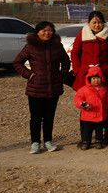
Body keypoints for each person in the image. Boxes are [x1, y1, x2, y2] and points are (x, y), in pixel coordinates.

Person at [13, 21, 71, 154]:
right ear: (37, 32)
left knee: (49, 117)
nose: (47, 33)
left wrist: (61, 75)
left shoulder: (57, 45)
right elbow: (17, 62)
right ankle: (35, 143)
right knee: (35, 117)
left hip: (53, 87)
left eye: (50, 30)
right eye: (44, 30)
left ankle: (48, 141)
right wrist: (29, 74)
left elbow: (66, 61)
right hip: (35, 88)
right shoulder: (31, 46)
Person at [73, 66, 108, 150]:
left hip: (101, 115)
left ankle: (99, 141)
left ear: (101, 78)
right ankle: (86, 142)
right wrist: (82, 103)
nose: (95, 80)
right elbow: (77, 99)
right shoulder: (84, 89)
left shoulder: (105, 89)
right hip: (87, 116)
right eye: (93, 78)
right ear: (89, 79)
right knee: (87, 131)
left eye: (97, 78)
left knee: (99, 130)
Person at [70, 11, 108, 93]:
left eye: (100, 22)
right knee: (85, 96)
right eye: (94, 22)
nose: (97, 25)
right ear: (89, 23)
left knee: (103, 96)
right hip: (85, 72)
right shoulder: (83, 34)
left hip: (104, 72)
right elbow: (75, 53)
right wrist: (77, 70)